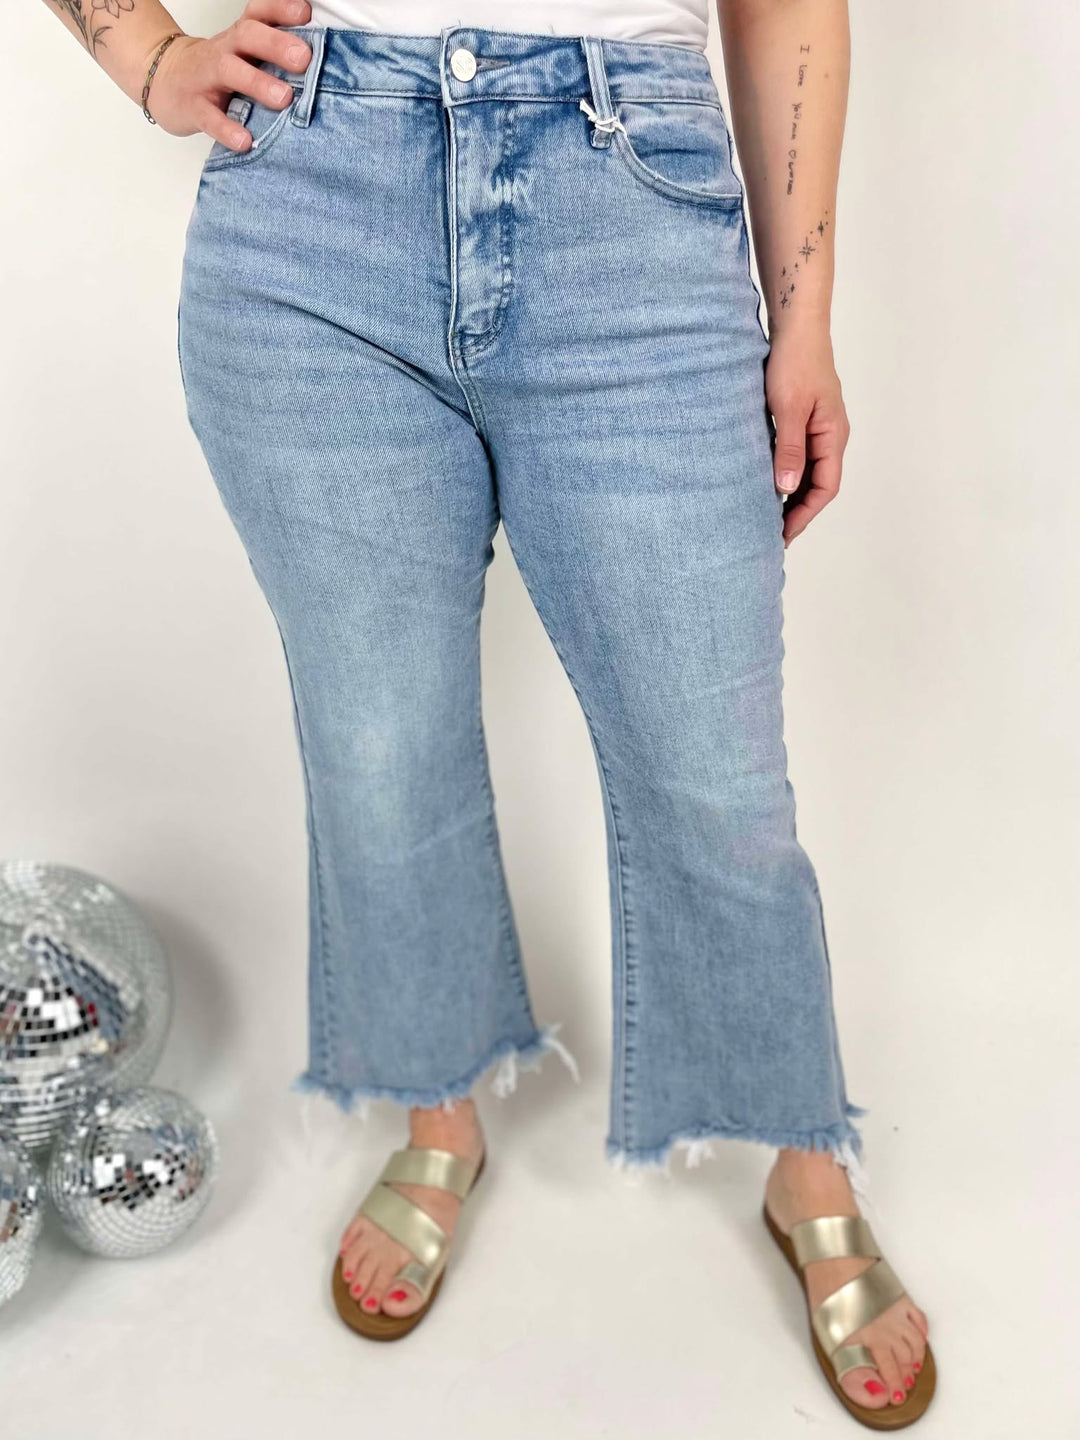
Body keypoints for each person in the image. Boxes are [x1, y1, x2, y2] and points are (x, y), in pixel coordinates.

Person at [42, 0, 935, 1425]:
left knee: (714, 776)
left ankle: (805, 1160)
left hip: (632, 207)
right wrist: (146, 58)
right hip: (313, 212)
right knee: (380, 745)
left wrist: (806, 318)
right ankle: (438, 1112)